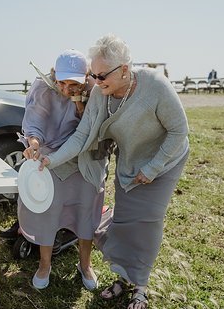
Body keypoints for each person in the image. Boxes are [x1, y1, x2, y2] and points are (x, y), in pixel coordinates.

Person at [38, 34, 189, 309]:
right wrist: (52, 160)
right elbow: (82, 136)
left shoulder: (155, 84)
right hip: (131, 162)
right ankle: (123, 277)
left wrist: (153, 168)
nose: (96, 81)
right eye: (93, 75)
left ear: (124, 69)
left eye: (102, 75)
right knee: (123, 222)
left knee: (146, 223)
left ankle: (140, 287)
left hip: (164, 161)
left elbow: (179, 130)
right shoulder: (100, 93)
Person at [17, 50, 99, 290]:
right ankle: (45, 264)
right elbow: (35, 121)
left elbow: (93, 129)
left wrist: (81, 105)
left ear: (86, 77)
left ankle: (85, 264)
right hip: (50, 155)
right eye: (61, 82)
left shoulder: (96, 91)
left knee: (86, 209)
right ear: (54, 74)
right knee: (48, 211)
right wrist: (33, 143)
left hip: (85, 158)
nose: (65, 89)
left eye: (73, 83)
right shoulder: (43, 88)